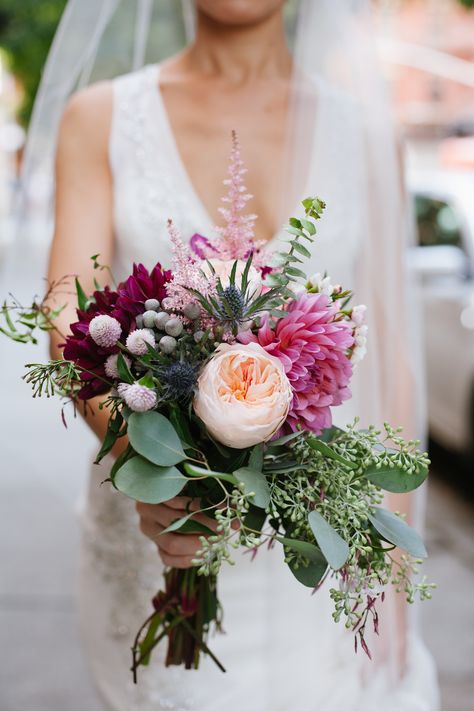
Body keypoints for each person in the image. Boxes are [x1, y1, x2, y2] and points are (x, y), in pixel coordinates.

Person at [40, 1, 439, 709]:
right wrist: (160, 466)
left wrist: (386, 560)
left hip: (319, 546)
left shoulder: (367, 134)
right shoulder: (100, 118)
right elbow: (69, 324)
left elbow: (392, 367)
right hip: (159, 540)